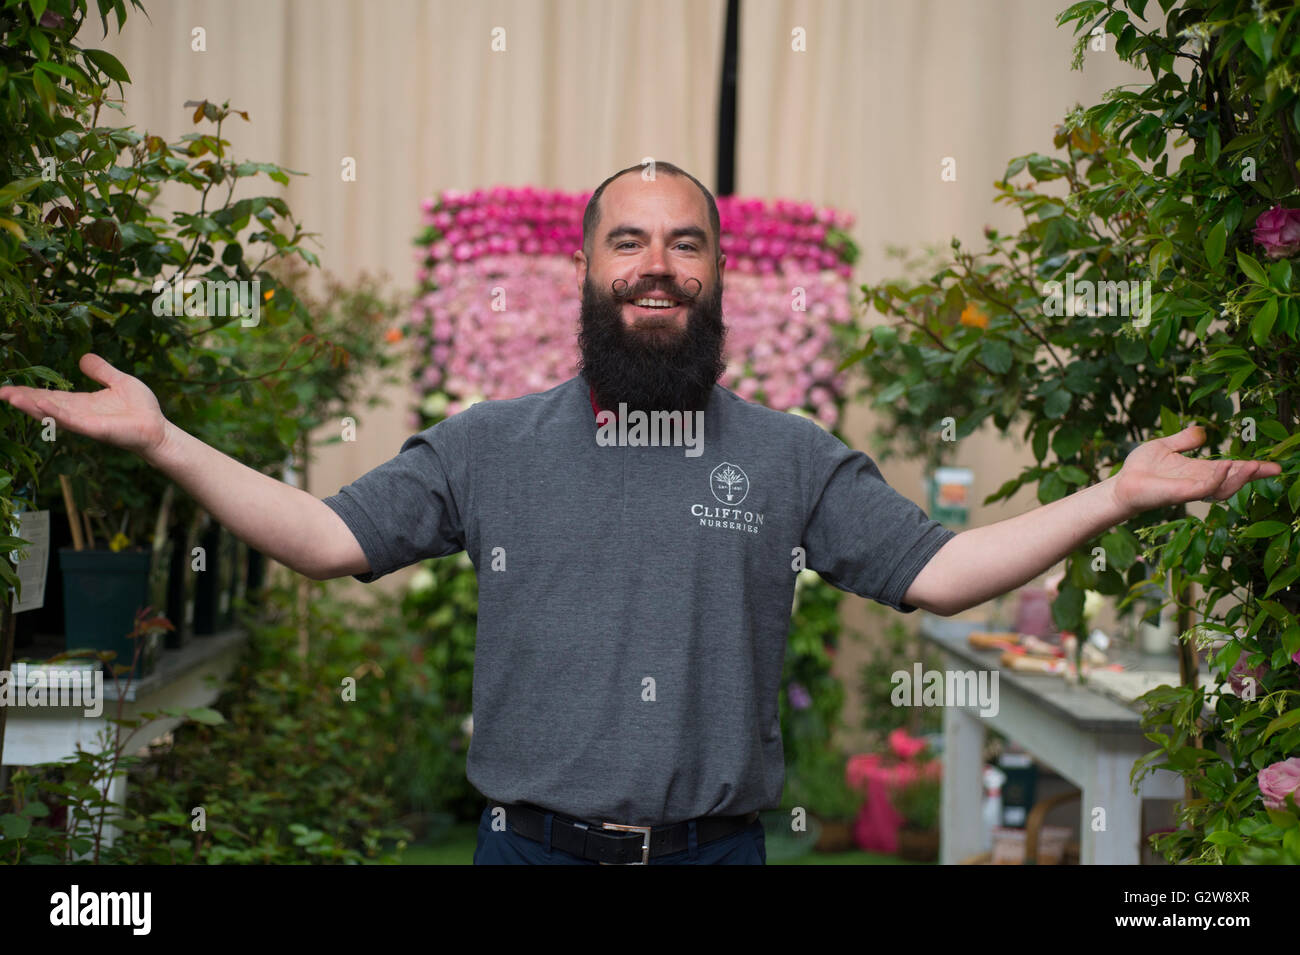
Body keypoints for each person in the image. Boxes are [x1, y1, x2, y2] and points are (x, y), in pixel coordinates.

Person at [0, 162, 1281, 865]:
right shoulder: (489, 443)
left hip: (717, 856)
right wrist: (165, 439)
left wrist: (1112, 493)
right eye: (628, 242)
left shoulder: (789, 455)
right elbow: (328, 539)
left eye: (683, 243)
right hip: (529, 853)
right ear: (588, 268)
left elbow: (943, 571)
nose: (654, 265)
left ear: (718, 274)